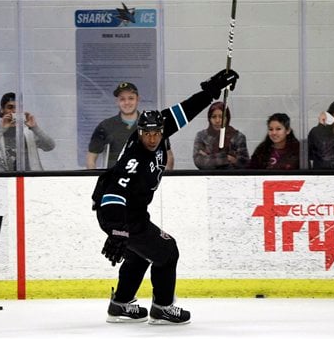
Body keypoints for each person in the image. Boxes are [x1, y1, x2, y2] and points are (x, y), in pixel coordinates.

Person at [91, 69, 239, 324]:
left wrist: (211, 90)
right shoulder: (135, 158)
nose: (151, 138)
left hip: (131, 214)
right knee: (167, 250)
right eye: (146, 134)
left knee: (141, 253)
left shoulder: (158, 129)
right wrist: (117, 230)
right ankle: (162, 308)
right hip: (119, 213)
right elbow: (115, 192)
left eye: (156, 133)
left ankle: (121, 304)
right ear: (139, 133)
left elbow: (185, 111)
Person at [86, 82, 175, 170]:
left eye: (131, 98)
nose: (127, 102)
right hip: (116, 181)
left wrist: (162, 180)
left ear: (138, 99)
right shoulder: (105, 126)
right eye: (122, 99)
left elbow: (168, 156)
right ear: (117, 101)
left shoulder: (153, 123)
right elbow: (91, 159)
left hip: (146, 180)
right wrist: (95, 179)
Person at [0, 92, 55, 171]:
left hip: (30, 179)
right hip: (2, 181)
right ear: (2, 110)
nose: (14, 111)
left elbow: (50, 147)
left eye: (18, 108)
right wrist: (0, 130)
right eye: (10, 107)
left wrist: (35, 128)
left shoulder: (29, 131)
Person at [193, 101, 249, 169]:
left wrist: (209, 157)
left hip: (231, 177)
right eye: (214, 117)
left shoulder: (238, 137)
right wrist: (227, 158)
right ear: (209, 119)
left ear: (227, 118)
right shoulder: (201, 136)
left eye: (221, 117)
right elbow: (199, 162)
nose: (217, 120)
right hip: (207, 177)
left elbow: (243, 163)